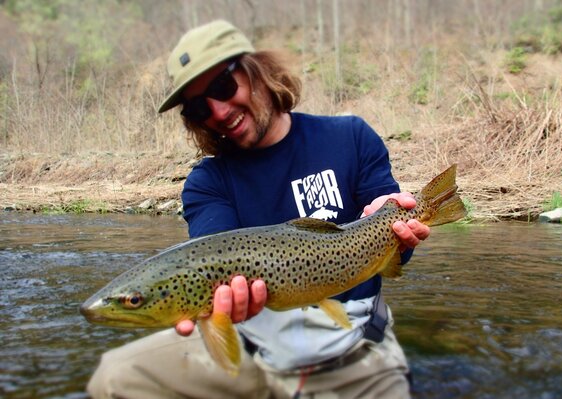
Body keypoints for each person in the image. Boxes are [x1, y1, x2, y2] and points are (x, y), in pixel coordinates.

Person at [87, 19, 430, 399]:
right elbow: (213, 253)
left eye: (222, 86)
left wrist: (396, 225)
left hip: (356, 355)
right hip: (257, 357)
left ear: (259, 72)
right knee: (115, 377)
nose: (217, 111)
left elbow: (398, 249)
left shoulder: (349, 136)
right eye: (198, 107)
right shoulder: (208, 182)